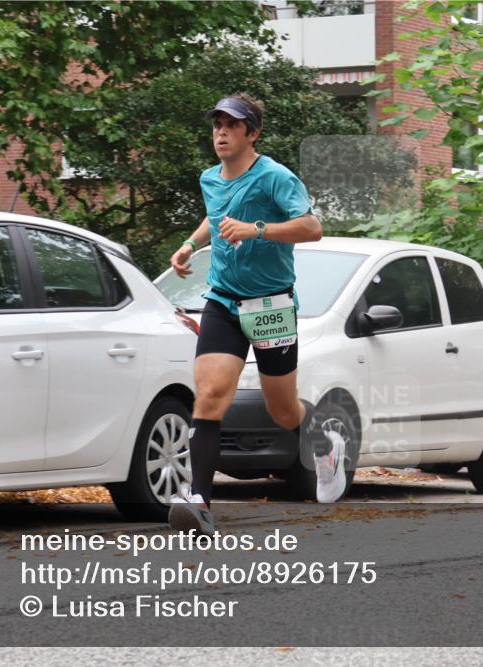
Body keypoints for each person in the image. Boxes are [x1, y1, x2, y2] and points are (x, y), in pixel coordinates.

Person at [167, 93, 347, 536]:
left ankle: (325, 445)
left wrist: (258, 230)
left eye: (232, 125)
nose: (221, 133)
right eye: (217, 125)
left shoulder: (275, 178)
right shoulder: (210, 178)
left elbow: (312, 228)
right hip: (224, 301)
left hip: (271, 305)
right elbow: (216, 217)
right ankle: (200, 501)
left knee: (282, 409)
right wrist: (191, 244)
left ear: (252, 133)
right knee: (209, 397)